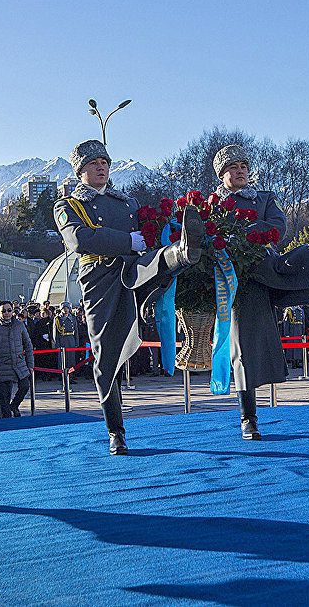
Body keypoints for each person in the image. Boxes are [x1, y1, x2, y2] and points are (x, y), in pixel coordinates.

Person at [54, 140, 204, 454]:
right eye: (93, 163)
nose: (101, 167)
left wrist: (161, 230)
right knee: (106, 356)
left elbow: (145, 238)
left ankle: (183, 252)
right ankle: (115, 430)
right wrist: (128, 240)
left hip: (134, 267)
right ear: (81, 169)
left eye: (105, 162)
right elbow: (79, 239)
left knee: (159, 261)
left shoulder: (126, 202)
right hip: (101, 279)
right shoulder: (69, 205)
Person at [210, 145, 309, 439]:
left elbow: (277, 228)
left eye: (244, 165)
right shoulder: (211, 206)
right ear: (221, 174)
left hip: (267, 268)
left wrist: (238, 231)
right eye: (233, 167)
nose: (241, 170)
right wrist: (247, 231)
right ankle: (248, 418)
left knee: (296, 261)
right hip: (233, 281)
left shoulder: (264, 198)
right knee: (242, 348)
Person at [0, 300, 34, 419]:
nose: (6, 313)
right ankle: (8, 424)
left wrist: (30, 364)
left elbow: (28, 345)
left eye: (9, 310)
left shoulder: (19, 325)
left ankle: (14, 406)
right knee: (4, 399)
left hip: (19, 365)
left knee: (24, 386)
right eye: (3, 311)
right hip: (2, 367)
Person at [52, 301, 80, 378]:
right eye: (64, 308)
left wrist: (76, 342)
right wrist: (56, 344)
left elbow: (76, 331)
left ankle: (71, 375)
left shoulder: (73, 318)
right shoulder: (58, 318)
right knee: (63, 359)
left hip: (71, 339)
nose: (66, 310)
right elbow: (55, 332)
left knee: (71, 359)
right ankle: (63, 376)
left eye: (67, 308)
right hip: (62, 340)